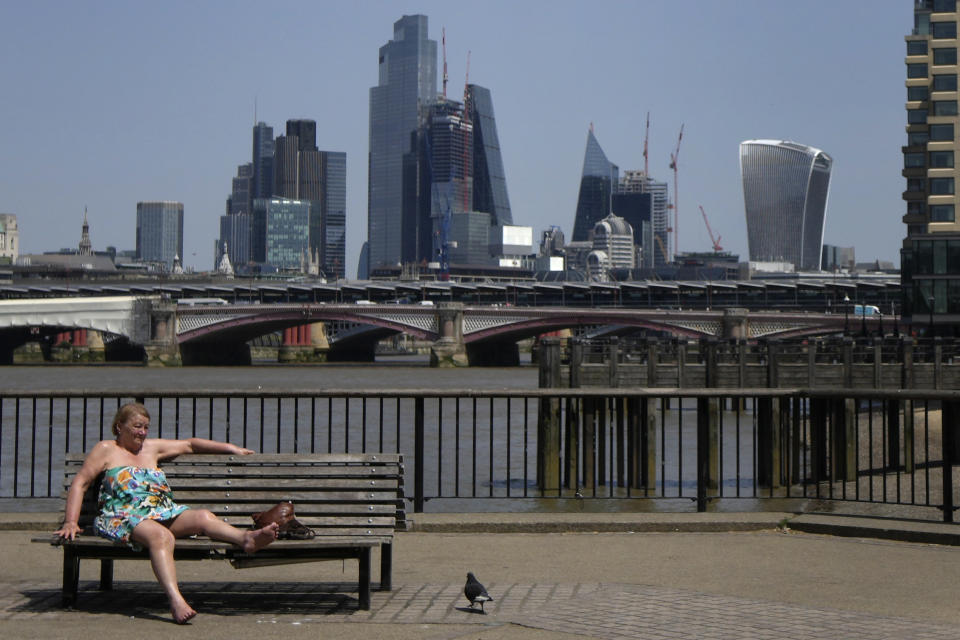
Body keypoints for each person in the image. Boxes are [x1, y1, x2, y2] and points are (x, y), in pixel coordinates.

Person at [53, 402, 279, 624]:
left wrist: (231, 448)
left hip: (161, 512)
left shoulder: (152, 448)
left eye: (146, 427)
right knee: (161, 537)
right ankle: (176, 600)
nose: (142, 432)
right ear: (119, 426)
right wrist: (71, 522)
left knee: (203, 517)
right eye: (137, 426)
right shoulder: (106, 449)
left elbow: (190, 445)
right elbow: (80, 483)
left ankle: (247, 539)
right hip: (122, 517)